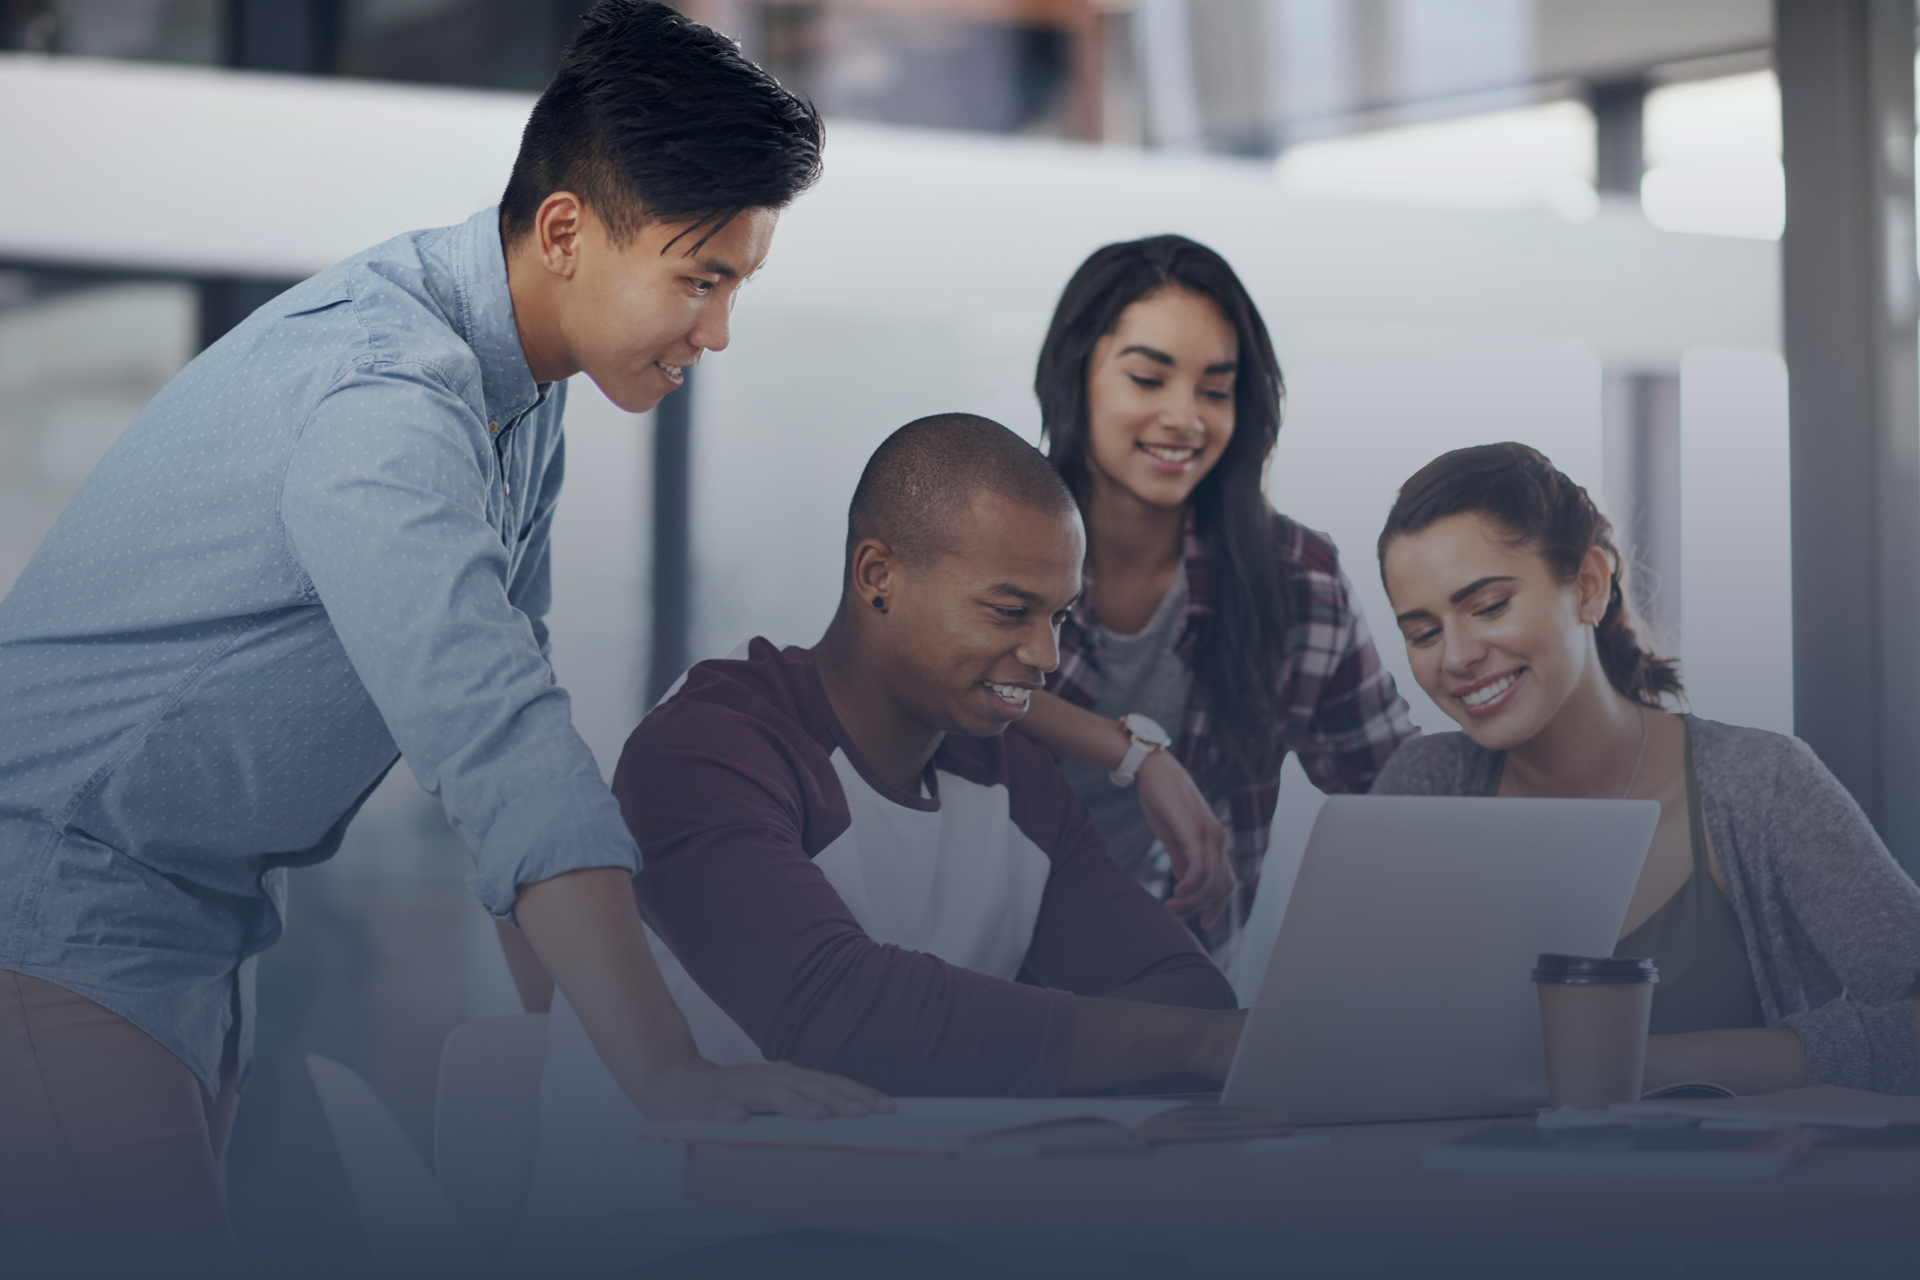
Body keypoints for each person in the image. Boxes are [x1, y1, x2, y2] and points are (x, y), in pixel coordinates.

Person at [0, 5, 888, 1274]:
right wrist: (663, 1066)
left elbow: (516, 718)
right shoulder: (384, 398)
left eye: (737, 284)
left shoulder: (518, 398)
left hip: (186, 920)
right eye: (700, 279)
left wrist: (574, 1069)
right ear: (566, 232)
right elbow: (497, 742)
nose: (719, 332)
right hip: (57, 896)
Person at [512, 413, 1244, 1272]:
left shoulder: (1015, 780)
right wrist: (1188, 1043)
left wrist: (1173, 1037)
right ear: (878, 576)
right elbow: (843, 1016)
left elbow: (1186, 994)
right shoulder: (709, 748)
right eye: (1010, 610)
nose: (1046, 654)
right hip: (671, 1239)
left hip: (905, 1231)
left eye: (1058, 616)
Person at [1372, 442, 1920, 1096]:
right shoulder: (1422, 786)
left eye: (1489, 606)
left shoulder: (1759, 785)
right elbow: (1338, 1036)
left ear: (1588, 585)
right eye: (1423, 633)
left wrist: (1629, 1065)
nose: (1456, 656)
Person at [1015, 235, 1417, 954]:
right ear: (1076, 376)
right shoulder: (996, 541)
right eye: (1148, 378)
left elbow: (1396, 794)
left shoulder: (1298, 578)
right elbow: (921, 684)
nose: (1186, 418)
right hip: (980, 971)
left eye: (1215, 391)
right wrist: (1137, 754)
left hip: (1178, 987)